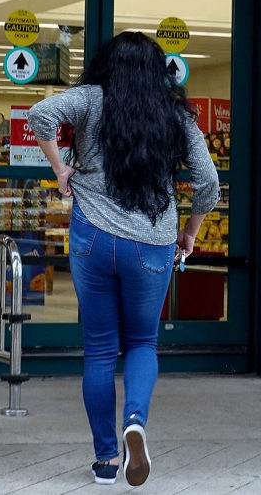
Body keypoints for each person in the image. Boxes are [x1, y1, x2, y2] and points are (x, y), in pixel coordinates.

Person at [28, 31, 220, 487]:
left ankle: (105, 461)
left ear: (106, 66)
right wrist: (188, 232)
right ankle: (135, 420)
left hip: (92, 237)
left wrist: (61, 170)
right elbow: (208, 182)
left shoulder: (92, 98)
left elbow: (40, 114)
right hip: (152, 242)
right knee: (142, 343)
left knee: (98, 350)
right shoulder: (175, 115)